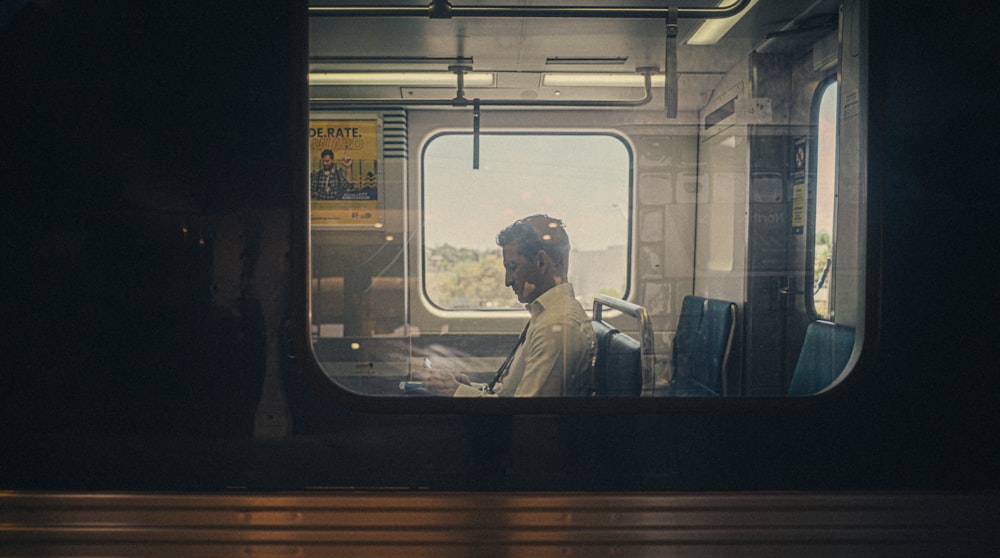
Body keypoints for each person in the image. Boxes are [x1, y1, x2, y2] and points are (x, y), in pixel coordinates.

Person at [415, 214, 596, 397]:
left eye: (512, 267)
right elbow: (510, 393)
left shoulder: (557, 327)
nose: (507, 281)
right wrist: (467, 388)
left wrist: (456, 392)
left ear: (541, 262)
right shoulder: (547, 316)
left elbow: (522, 414)